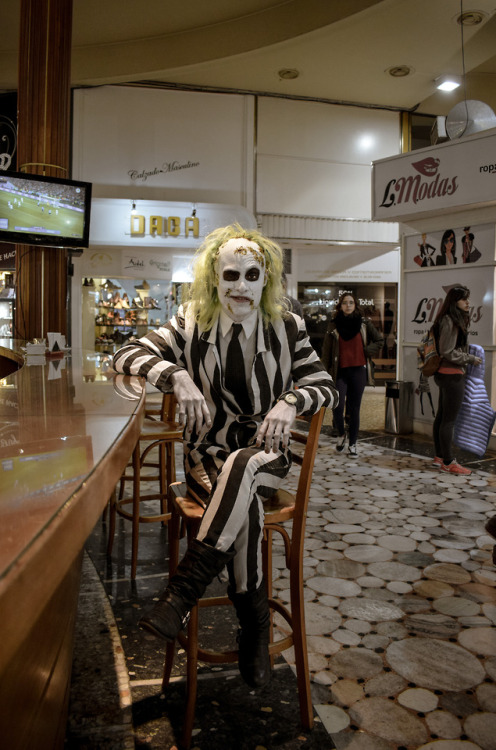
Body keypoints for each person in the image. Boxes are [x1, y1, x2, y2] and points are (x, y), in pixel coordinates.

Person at [113, 223, 337, 689]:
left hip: (268, 458)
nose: (240, 287)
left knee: (246, 465)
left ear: (266, 279)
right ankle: (254, 627)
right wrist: (176, 375)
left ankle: (182, 591)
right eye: (230, 275)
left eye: (251, 276)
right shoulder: (190, 323)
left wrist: (291, 401)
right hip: (208, 457)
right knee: (246, 505)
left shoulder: (288, 327)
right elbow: (126, 353)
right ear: (214, 278)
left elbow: (325, 387)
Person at [321, 292, 383, 457]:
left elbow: (379, 341)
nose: (348, 305)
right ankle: (341, 433)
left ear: (355, 305)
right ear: (340, 306)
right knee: (337, 406)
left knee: (354, 409)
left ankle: (353, 444)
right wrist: (324, 374)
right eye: (345, 303)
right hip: (339, 372)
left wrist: (366, 351)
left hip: (358, 371)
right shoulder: (333, 325)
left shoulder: (363, 323)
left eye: (351, 303)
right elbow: (326, 352)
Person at [432, 285, 482, 475]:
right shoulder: (450, 320)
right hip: (451, 374)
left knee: (442, 417)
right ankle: (448, 461)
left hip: (444, 374)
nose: (468, 302)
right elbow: (447, 351)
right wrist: (470, 359)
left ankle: (439, 456)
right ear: (454, 302)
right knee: (448, 421)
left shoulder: (447, 319)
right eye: (464, 299)